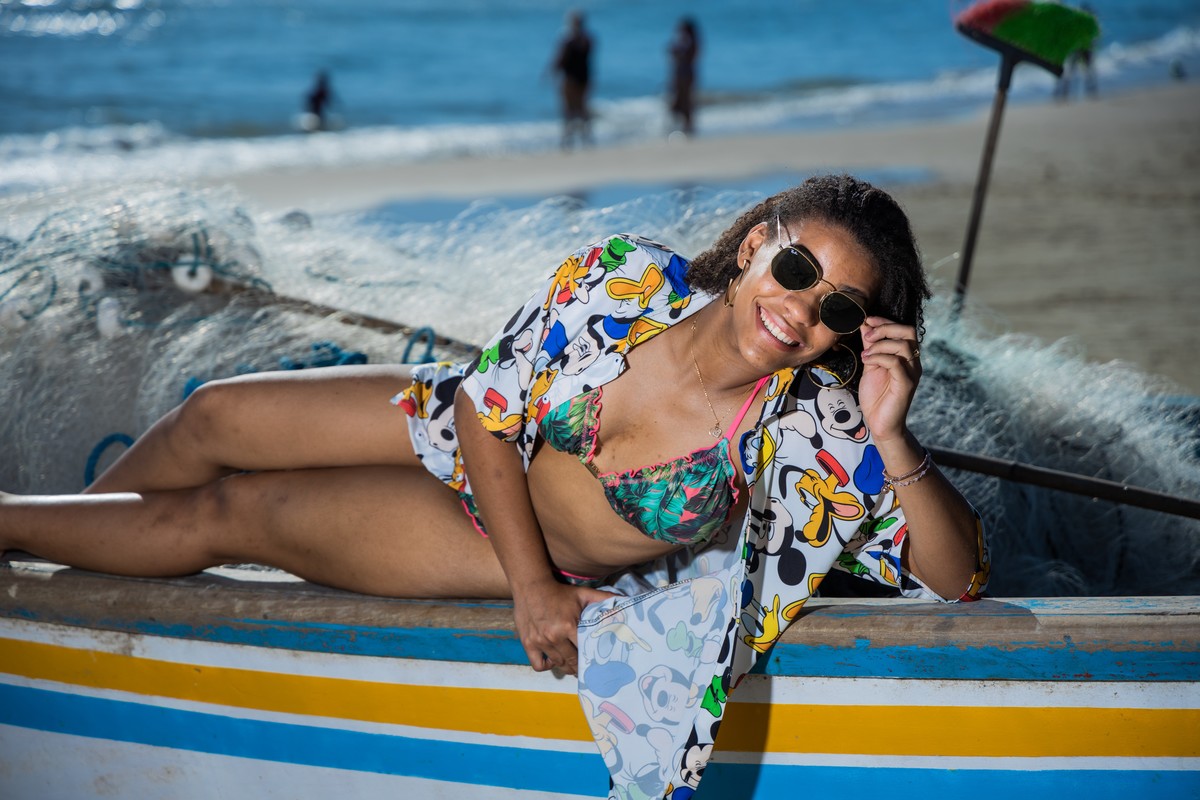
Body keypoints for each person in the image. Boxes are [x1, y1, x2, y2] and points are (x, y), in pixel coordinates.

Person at [0, 175, 988, 798]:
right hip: (461, 425)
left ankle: (18, 534)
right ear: (756, 242)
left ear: (851, 332)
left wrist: (891, 433)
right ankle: (63, 584)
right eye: (798, 265)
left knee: (235, 512)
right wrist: (531, 593)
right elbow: (484, 405)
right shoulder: (629, 281)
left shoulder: (810, 428)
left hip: (494, 538)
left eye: (838, 307)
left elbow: (959, 577)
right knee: (213, 416)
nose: (800, 308)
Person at [550, 10, 593, 149]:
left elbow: (560, 60)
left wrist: (552, 72)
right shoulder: (587, 39)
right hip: (584, 79)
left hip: (571, 80)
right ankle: (585, 138)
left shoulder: (570, 41)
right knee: (581, 109)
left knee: (570, 110)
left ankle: (568, 140)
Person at [1054, 3, 1098, 101]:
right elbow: (1093, 37)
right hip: (1083, 48)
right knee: (1084, 71)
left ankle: (1064, 93)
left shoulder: (1076, 22)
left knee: (1074, 71)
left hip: (1079, 48)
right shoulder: (1087, 23)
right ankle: (1090, 91)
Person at [667, 17, 700, 136]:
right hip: (682, 75)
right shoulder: (687, 42)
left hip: (685, 76)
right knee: (681, 101)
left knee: (685, 101)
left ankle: (687, 127)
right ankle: (683, 126)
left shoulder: (691, 43)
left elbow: (682, 57)